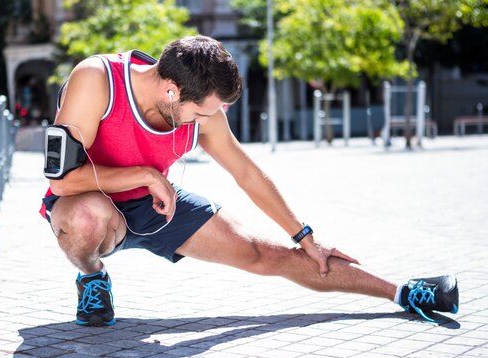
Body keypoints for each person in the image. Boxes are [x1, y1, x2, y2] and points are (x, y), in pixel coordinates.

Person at [40, 35, 458, 326]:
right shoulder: (96, 81)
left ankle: (402, 291)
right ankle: (92, 276)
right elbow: (60, 182)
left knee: (265, 254)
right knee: (87, 223)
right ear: (171, 91)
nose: (206, 122)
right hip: (89, 200)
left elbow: (246, 173)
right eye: (202, 113)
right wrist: (146, 174)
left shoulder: (199, 106)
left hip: (156, 205)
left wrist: (305, 235)